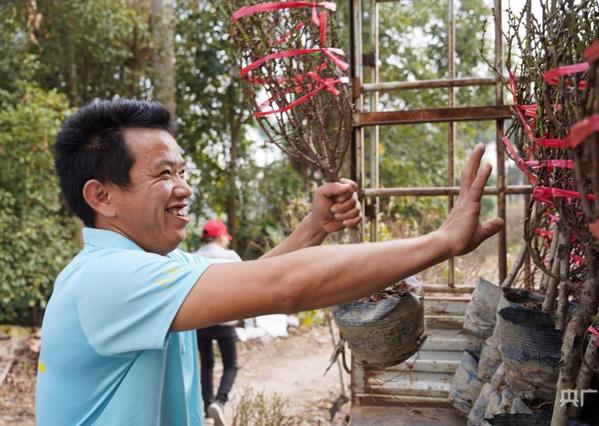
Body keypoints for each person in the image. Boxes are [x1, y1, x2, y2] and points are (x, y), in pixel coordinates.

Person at [35, 99, 503, 425]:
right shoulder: (107, 279)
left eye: (182, 171)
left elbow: (254, 281)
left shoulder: (155, 266)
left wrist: (314, 227)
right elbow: (283, 288)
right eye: (163, 174)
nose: (184, 187)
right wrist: (441, 241)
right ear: (102, 196)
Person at [194, 219, 241, 425]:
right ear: (221, 237)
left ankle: (207, 406)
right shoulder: (230, 257)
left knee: (207, 364)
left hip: (200, 322)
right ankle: (219, 402)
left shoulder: (192, 257)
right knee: (231, 364)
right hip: (225, 321)